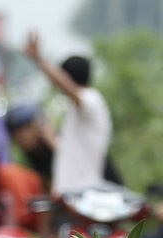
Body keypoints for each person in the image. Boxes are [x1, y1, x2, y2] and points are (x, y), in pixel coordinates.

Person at [23, 33, 112, 196]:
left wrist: (39, 60)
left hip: (83, 194)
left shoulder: (91, 100)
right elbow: (72, 151)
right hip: (70, 195)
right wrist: (51, 138)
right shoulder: (79, 110)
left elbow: (68, 89)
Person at [5, 103, 55, 190]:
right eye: (17, 131)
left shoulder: (51, 144)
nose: (22, 136)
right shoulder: (28, 155)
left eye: (27, 128)